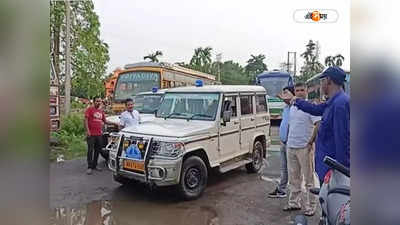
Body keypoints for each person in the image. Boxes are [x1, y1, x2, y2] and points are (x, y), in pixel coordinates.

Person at [279, 66, 350, 185]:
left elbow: (342, 140)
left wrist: (341, 173)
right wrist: (294, 100)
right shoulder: (333, 101)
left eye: (322, 81)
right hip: (327, 167)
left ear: (328, 80)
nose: (320, 85)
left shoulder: (340, 104)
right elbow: (315, 109)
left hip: (333, 170)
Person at [282, 82, 320, 216]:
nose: (299, 92)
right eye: (297, 90)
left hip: (305, 147)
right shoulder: (293, 106)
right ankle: (294, 203)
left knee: (309, 179)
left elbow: (318, 124)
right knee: (294, 177)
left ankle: (312, 206)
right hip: (291, 146)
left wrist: (311, 142)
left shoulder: (311, 107)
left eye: (302, 90)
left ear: (306, 91)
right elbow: (291, 125)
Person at [268, 86, 294, 198]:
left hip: (291, 143)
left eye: (286, 93)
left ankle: (294, 195)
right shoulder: (286, 108)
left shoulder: (295, 108)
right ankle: (281, 189)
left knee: (293, 170)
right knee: (284, 168)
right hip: (283, 142)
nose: (283, 95)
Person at [85, 97, 118, 175]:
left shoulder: (101, 111)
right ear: (93, 102)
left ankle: (95, 165)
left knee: (98, 150)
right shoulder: (90, 109)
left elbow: (105, 121)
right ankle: (89, 167)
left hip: (99, 134)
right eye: (97, 101)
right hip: (91, 134)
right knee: (90, 150)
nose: (98, 102)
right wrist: (87, 131)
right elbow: (85, 120)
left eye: (99, 101)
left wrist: (115, 123)